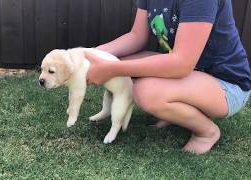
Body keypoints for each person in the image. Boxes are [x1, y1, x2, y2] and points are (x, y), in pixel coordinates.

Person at [85, 0, 251, 154]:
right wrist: (89, 55)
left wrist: (112, 69)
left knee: (146, 91)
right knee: (118, 61)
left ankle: (206, 132)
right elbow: (136, 36)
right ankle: (177, 112)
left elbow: (181, 64)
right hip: (192, 72)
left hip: (226, 84)